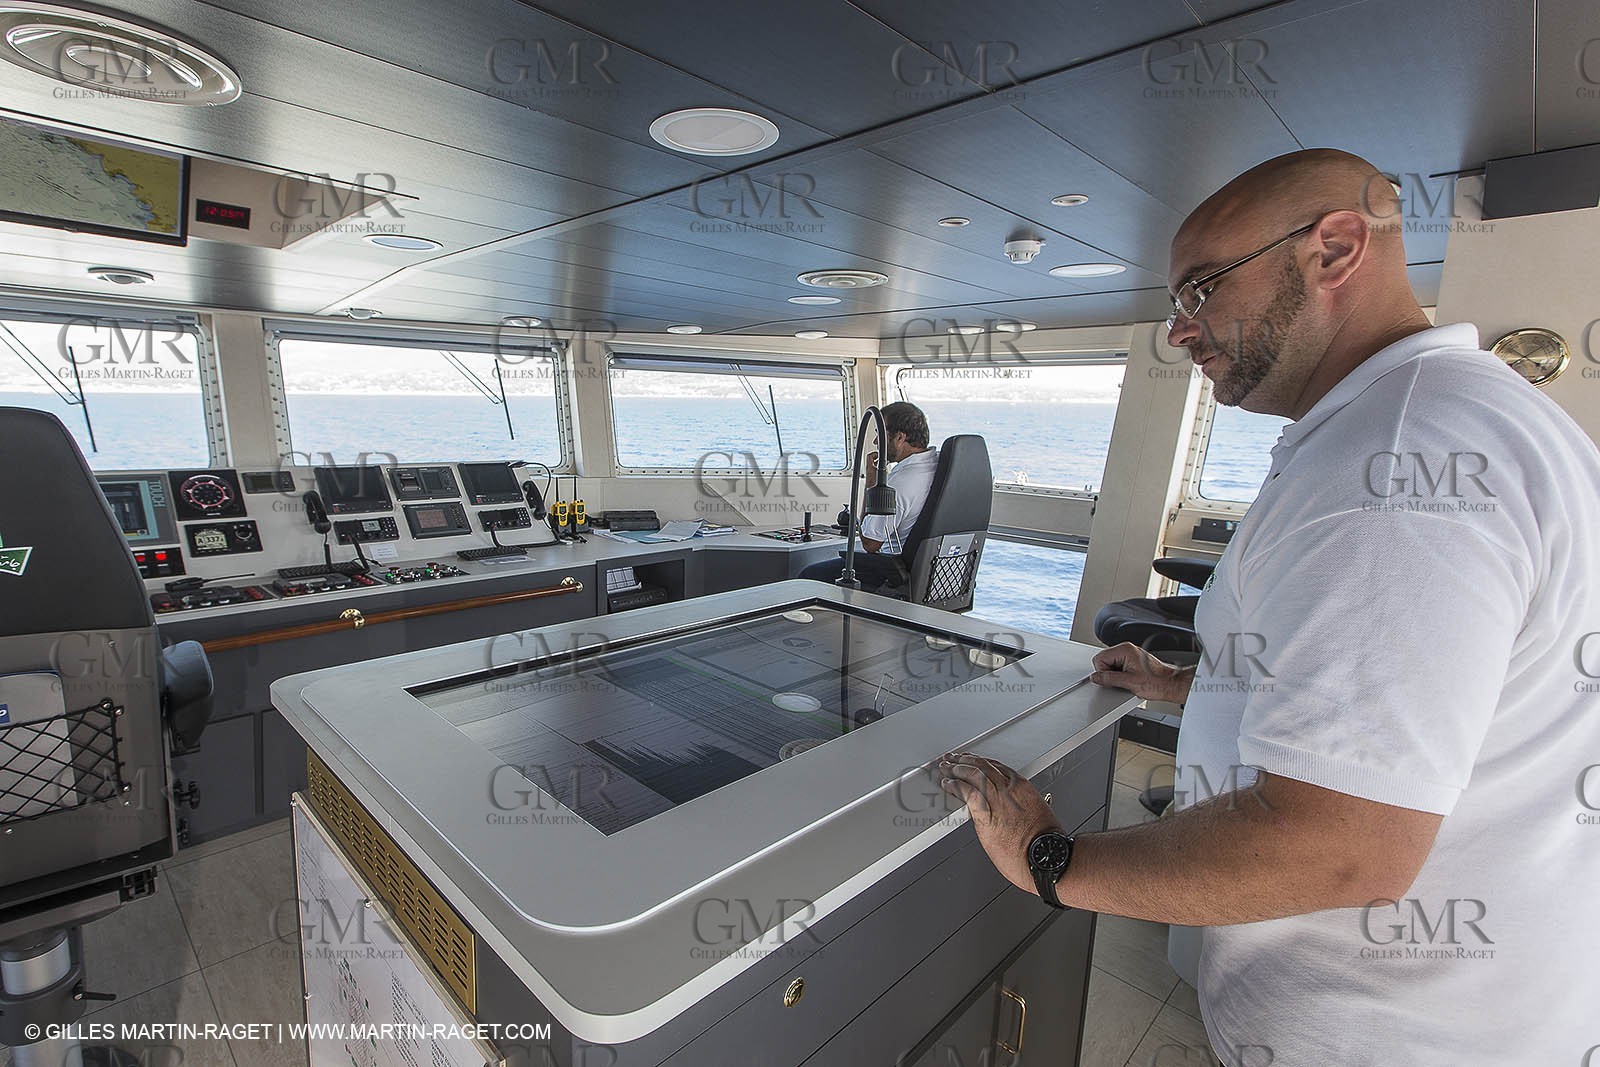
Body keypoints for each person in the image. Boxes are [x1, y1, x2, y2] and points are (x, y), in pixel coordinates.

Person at [939, 148, 1600, 1066]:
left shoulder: (1392, 468)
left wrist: (1052, 860)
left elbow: (1341, 845)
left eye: (1200, 290)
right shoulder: (1463, 415)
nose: (1180, 332)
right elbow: (1431, 696)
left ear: (1333, 248)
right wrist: (1197, 688)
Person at [800, 401, 938, 588]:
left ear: (899, 437)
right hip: (927, 573)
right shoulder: (934, 467)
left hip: (891, 571)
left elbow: (870, 542)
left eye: (880, 435)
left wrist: (873, 482)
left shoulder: (901, 483)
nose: (875, 442)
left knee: (807, 576)